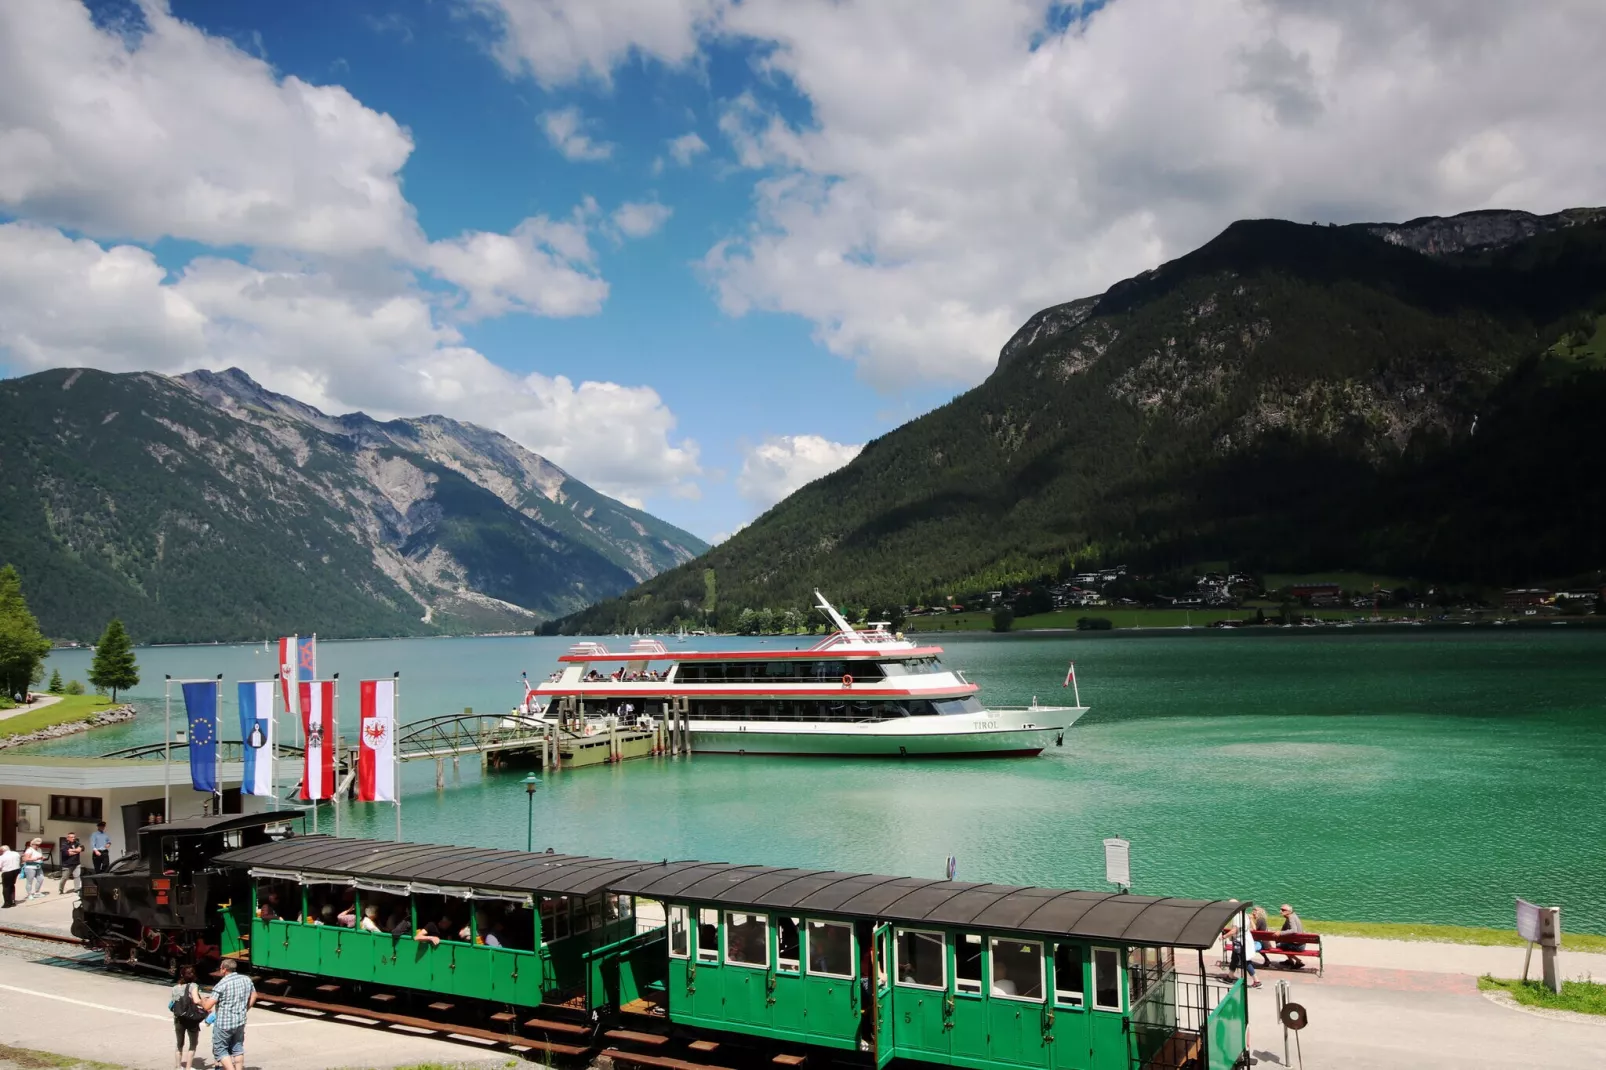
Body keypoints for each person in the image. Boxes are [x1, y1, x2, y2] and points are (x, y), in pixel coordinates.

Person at [202, 958, 256, 1070]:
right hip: (240, 1021)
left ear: (224, 969)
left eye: (221, 967)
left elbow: (207, 1006)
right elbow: (254, 995)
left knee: (220, 1050)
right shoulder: (246, 979)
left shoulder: (221, 984)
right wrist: (245, 1009)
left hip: (224, 1024)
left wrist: (202, 1000)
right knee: (238, 1048)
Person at [168, 963, 205, 1070]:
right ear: (193, 975)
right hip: (191, 1018)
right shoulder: (193, 986)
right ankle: (188, 1068)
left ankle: (178, 1066)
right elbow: (196, 1000)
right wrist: (205, 1002)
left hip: (178, 1018)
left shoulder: (175, 988)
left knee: (179, 1043)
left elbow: (173, 1003)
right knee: (193, 1043)